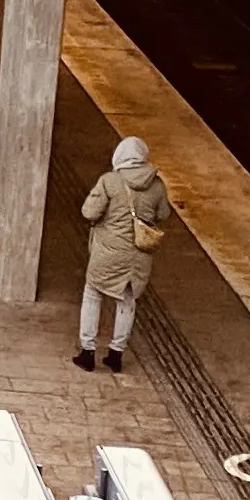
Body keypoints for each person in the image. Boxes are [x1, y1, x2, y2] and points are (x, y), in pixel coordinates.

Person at [76, 134, 172, 371]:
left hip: (108, 252)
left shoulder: (110, 181)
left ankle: (88, 351)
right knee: (127, 301)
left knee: (93, 295)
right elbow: (163, 215)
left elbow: (89, 212)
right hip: (138, 256)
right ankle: (116, 354)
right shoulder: (157, 185)